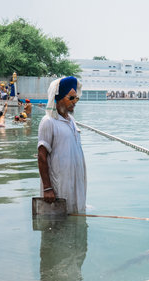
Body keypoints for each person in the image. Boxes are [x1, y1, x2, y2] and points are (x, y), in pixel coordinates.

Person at [37, 76, 86, 214]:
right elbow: (42, 156)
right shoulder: (48, 122)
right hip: (58, 185)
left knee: (74, 219)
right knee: (59, 224)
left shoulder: (71, 120)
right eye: (71, 98)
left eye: (76, 98)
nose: (74, 102)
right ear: (58, 98)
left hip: (75, 182)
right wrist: (47, 188)